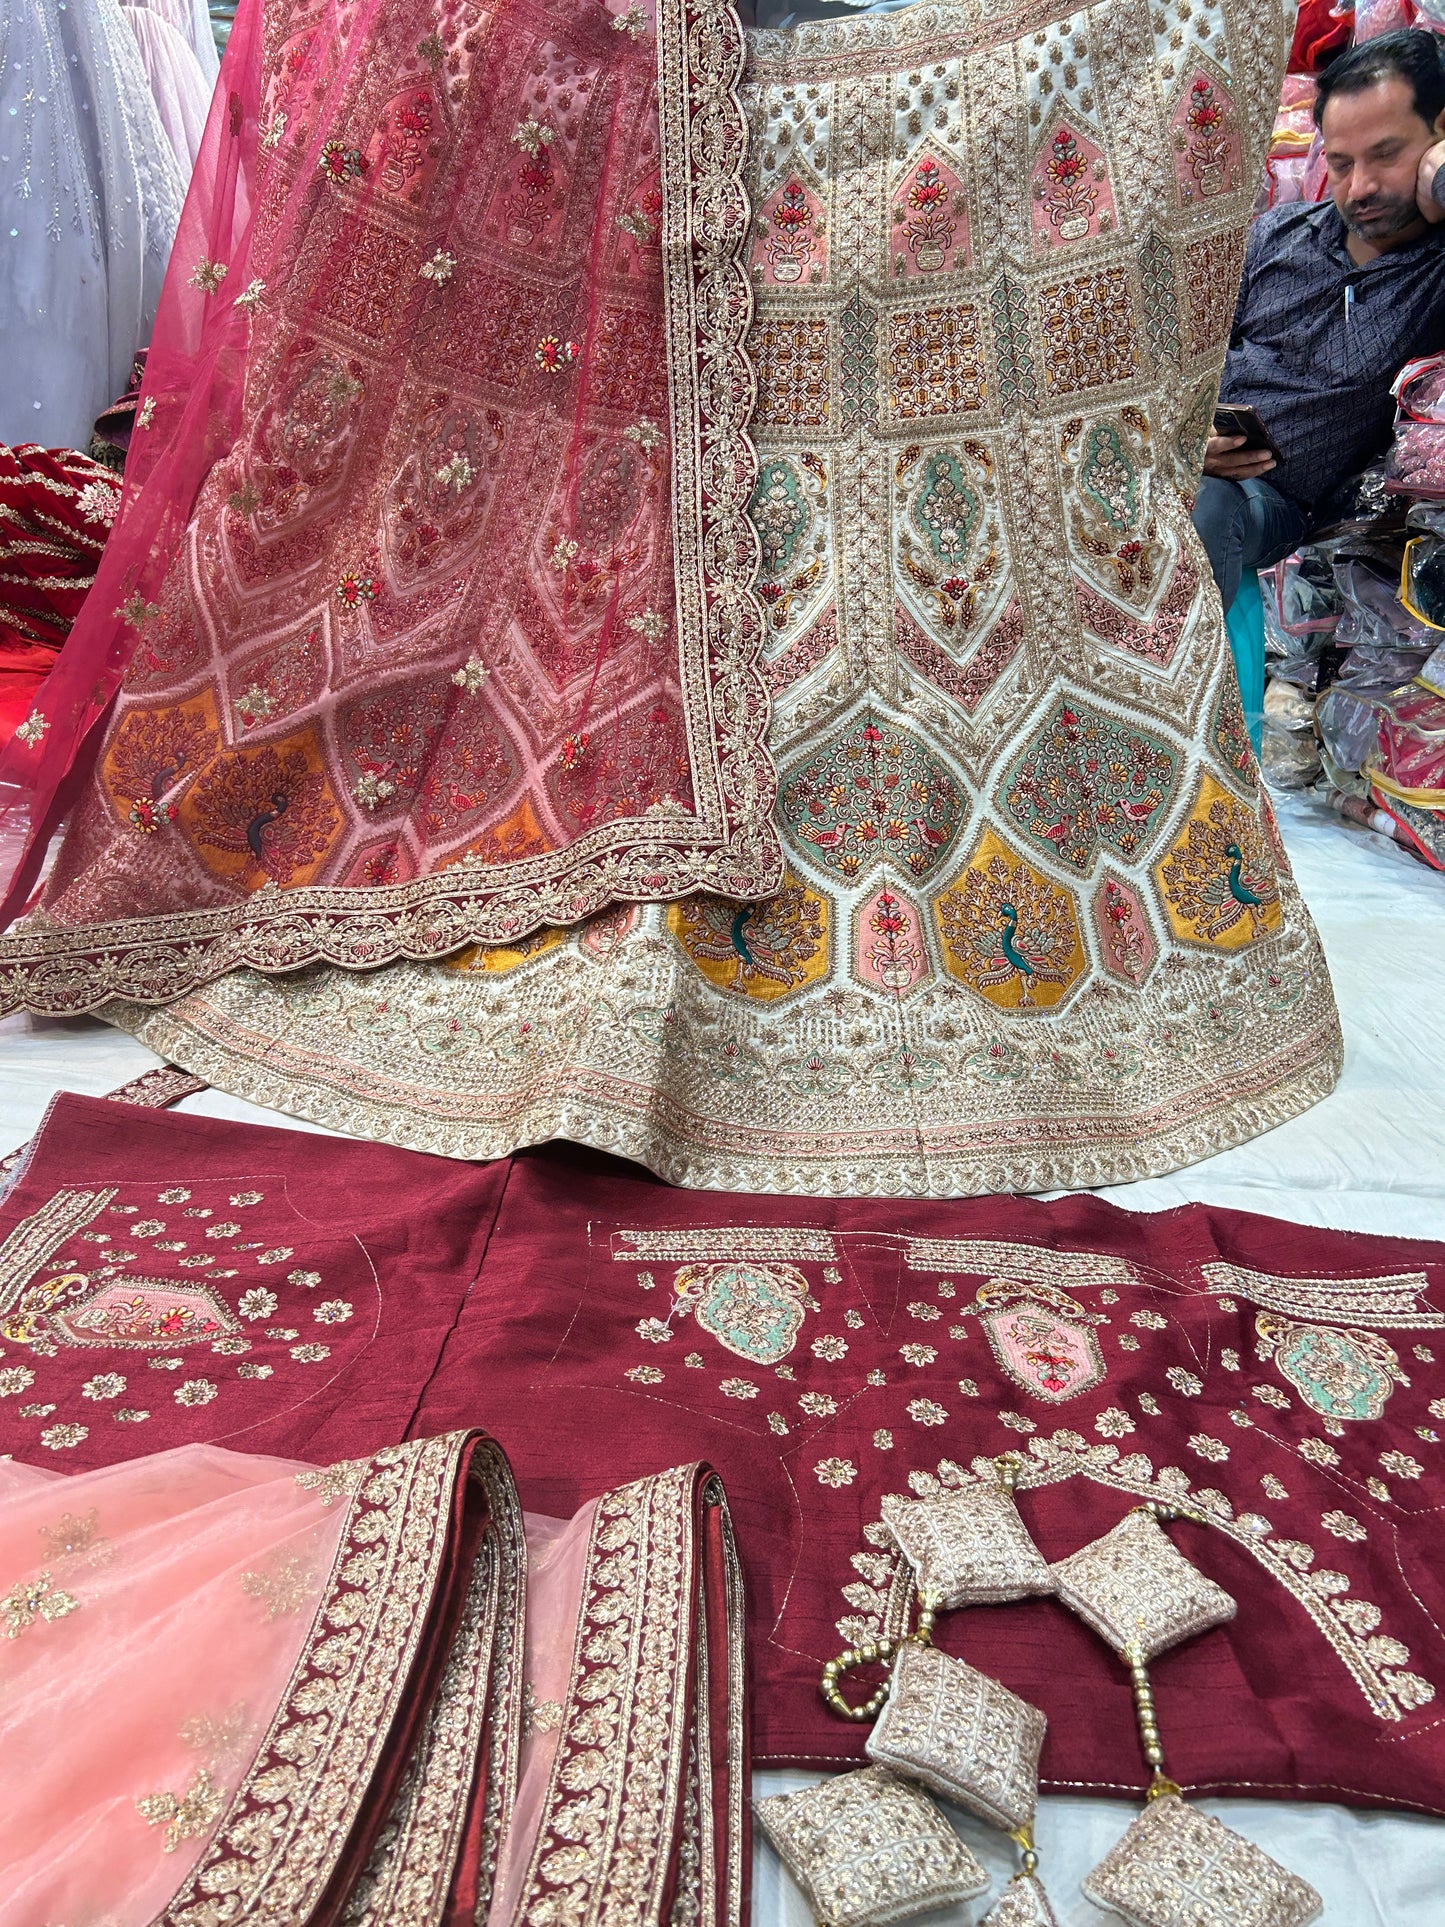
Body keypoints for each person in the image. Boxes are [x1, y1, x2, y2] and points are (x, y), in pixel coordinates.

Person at [1195, 30, 1445, 612]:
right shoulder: (1278, 235)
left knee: (1207, 506)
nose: (1361, 187)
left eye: (1387, 154)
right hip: (1189, 460)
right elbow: (1184, 357)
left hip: (1275, 504)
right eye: (1340, 162)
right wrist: (1182, 441)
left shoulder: (1435, 268)